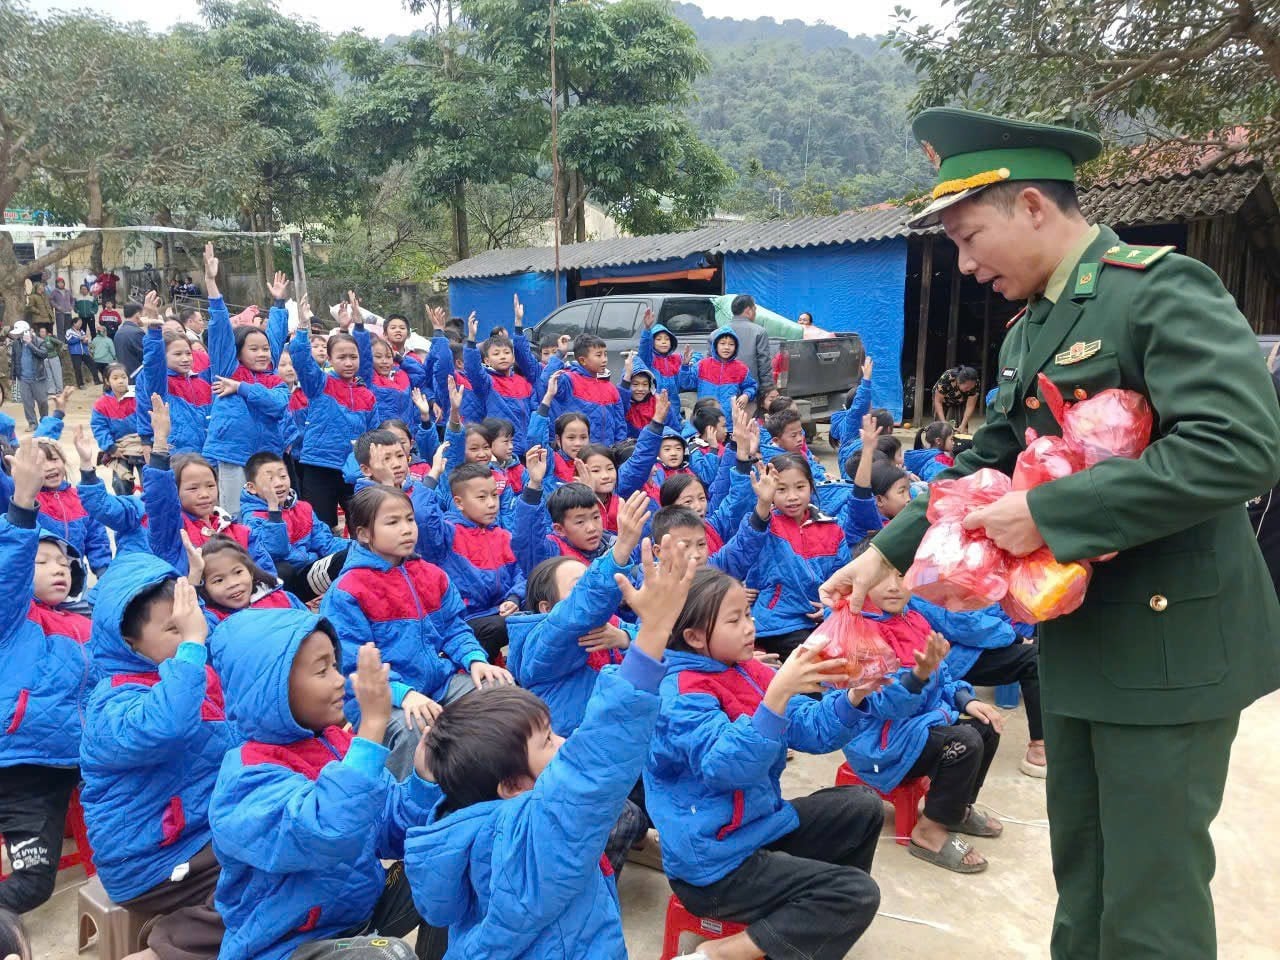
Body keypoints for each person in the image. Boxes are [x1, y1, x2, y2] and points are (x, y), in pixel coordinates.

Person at [819, 107, 1280, 960]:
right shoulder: (1032, 327)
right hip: (1080, 637)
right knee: (1088, 874)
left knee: (1152, 898)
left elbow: (1240, 446)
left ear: (1032, 205)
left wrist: (1051, 515)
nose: (962, 263)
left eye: (968, 236)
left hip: (1170, 640)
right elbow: (992, 454)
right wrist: (885, 549)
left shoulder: (1159, 288)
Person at [405, 533, 696, 960]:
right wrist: (652, 632)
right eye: (547, 741)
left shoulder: (463, 822)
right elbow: (595, 761)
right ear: (510, 785)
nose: (561, 741)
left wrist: (424, 781)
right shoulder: (542, 833)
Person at [645, 567, 883, 960]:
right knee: (856, 893)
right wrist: (777, 695)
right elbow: (725, 768)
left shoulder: (747, 671)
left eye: (749, 615)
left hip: (756, 830)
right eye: (734, 620)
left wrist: (855, 696)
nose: (749, 627)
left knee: (861, 806)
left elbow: (812, 729)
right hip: (714, 866)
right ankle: (724, 952)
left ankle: (808, 924)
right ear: (693, 637)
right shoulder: (679, 693)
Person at [209, 612, 445, 960]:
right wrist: (374, 726)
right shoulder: (245, 779)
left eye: (336, 666)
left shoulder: (336, 745)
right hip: (289, 945)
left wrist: (424, 779)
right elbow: (327, 832)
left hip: (356, 916)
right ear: (270, 689)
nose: (339, 681)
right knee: (389, 956)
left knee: (452, 857)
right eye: (322, 671)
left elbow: (391, 831)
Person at [80, 556, 231, 960]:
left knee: (283, 851)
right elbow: (168, 725)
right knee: (263, 886)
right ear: (129, 643)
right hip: (153, 860)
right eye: (173, 630)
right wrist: (192, 644)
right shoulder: (112, 702)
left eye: (191, 623)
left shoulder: (185, 668)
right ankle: (167, 945)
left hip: (201, 835)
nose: (191, 635)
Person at [319, 485, 513, 780]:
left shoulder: (431, 575)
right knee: (414, 729)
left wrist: (475, 660)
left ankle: (490, 779)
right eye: (392, 522)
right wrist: (404, 693)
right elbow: (353, 665)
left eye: (410, 519)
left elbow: (454, 627)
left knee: (501, 694)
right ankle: (405, 809)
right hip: (381, 698)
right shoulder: (348, 591)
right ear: (363, 534)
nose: (407, 529)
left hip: (437, 683)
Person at [841, 565, 1004, 873]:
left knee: (986, 726)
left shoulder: (915, 620)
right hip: (880, 745)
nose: (893, 585)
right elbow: (883, 706)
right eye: (880, 576)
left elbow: (945, 677)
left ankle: (954, 810)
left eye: (901, 574)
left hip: (918, 729)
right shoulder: (856, 633)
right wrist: (917, 677)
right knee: (964, 742)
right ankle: (928, 832)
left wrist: (966, 700)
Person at [0, 438, 91, 919]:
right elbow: (7, 574)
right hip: (23, 767)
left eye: (64, 563)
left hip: (80, 760)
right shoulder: (11, 616)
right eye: (43, 561)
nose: (58, 568)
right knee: (33, 885)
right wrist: (22, 505)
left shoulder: (84, 621)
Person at [201, 248, 289, 517]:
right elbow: (219, 330)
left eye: (265, 349)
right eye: (254, 349)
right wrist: (211, 283)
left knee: (268, 510)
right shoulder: (227, 369)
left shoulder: (275, 380)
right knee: (235, 514)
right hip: (232, 453)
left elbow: (276, 405)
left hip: (266, 456)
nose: (262, 354)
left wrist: (278, 304)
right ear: (238, 352)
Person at [712, 294, 773, 393]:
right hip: (749, 392)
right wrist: (768, 389)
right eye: (755, 309)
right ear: (749, 310)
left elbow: (711, 364)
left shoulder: (715, 334)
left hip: (721, 391)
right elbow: (764, 364)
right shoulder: (759, 332)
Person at [694, 328, 757, 410]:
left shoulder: (741, 369)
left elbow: (751, 386)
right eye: (722, 343)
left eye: (731, 344)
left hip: (728, 419)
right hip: (705, 416)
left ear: (736, 347)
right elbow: (686, 383)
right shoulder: (702, 365)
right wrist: (685, 367)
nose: (727, 347)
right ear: (715, 345)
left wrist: (746, 395)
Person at [7, 321, 50, 430]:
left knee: (43, 401)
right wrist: (12, 377)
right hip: (23, 378)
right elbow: (14, 360)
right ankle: (32, 423)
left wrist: (30, 344)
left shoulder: (39, 341)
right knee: (27, 402)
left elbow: (44, 354)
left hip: (38, 377)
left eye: (20, 333)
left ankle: (44, 421)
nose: (18, 335)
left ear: (26, 331)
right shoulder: (16, 343)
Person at [931, 364, 980, 432]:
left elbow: (970, 406)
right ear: (958, 382)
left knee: (962, 429)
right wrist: (943, 422)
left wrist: (963, 425)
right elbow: (938, 401)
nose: (969, 390)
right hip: (942, 399)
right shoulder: (947, 377)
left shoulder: (975, 383)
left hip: (960, 400)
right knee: (940, 428)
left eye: (971, 388)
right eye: (967, 387)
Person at [113, 302, 146, 382]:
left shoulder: (119, 332)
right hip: (138, 377)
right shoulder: (137, 332)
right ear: (138, 315)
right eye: (143, 315)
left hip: (125, 376)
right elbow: (146, 356)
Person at [64, 316, 97, 387]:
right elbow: (69, 341)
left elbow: (85, 341)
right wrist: (79, 339)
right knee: (77, 368)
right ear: (74, 323)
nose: (80, 324)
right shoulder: (69, 331)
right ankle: (80, 384)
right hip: (75, 352)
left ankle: (96, 380)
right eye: (79, 323)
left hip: (84, 351)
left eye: (81, 323)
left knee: (92, 364)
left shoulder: (81, 331)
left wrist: (85, 341)